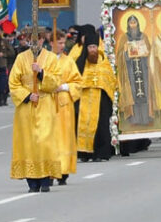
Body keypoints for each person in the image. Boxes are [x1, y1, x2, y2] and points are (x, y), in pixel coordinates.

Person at [9, 29, 62, 193]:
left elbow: (56, 82)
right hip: (26, 107)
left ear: (42, 41)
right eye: (31, 40)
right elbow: (13, 83)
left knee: (44, 141)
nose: (34, 43)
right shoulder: (20, 58)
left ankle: (46, 179)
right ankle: (32, 181)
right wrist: (26, 96)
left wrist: (41, 73)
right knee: (28, 143)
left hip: (45, 104)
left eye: (37, 40)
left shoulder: (51, 58)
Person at [75, 29, 117, 162]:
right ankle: (85, 153)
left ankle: (101, 152)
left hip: (101, 99)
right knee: (83, 124)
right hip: (84, 98)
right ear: (86, 48)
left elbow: (110, 79)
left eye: (94, 47)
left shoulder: (104, 62)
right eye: (90, 47)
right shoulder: (80, 62)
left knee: (101, 125)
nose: (92, 50)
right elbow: (75, 79)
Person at [53, 31, 82, 185]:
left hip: (64, 105)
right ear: (51, 43)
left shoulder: (68, 61)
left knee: (63, 137)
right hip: (48, 104)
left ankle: (63, 170)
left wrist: (64, 86)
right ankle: (49, 169)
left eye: (64, 43)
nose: (62, 46)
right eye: (59, 43)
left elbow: (78, 82)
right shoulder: (44, 60)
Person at [116, 15, 154, 126]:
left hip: (143, 68)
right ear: (128, 25)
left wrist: (146, 52)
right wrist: (125, 51)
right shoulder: (124, 37)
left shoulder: (144, 36)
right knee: (133, 93)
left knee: (145, 92)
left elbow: (149, 51)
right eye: (131, 23)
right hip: (130, 69)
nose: (133, 25)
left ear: (138, 23)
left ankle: (146, 118)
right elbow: (119, 54)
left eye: (134, 22)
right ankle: (135, 119)